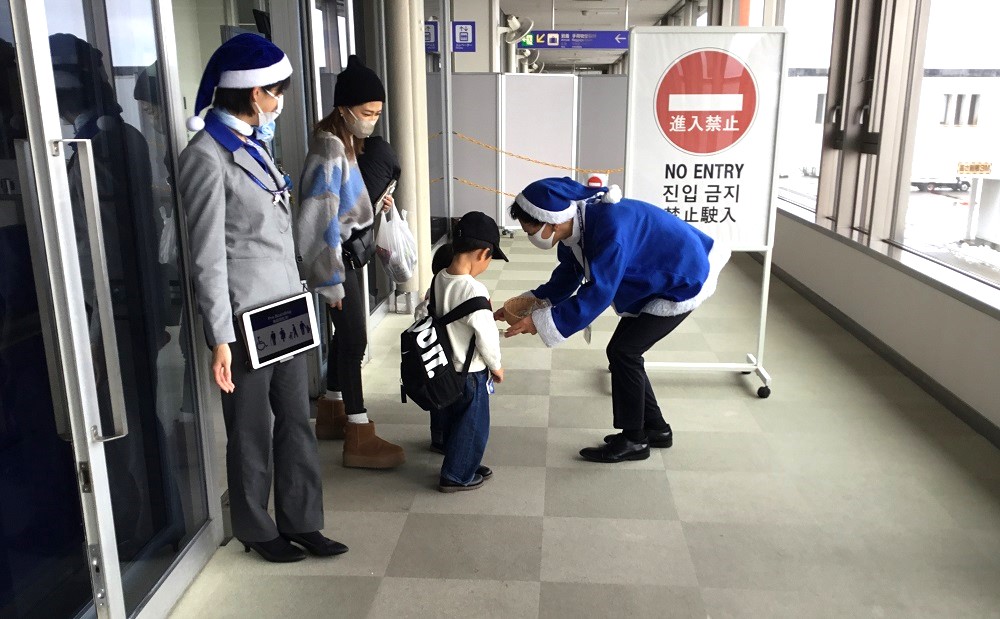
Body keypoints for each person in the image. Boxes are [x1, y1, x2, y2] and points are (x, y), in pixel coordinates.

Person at [178, 33, 345, 562]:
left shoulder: (253, 144)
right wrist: (219, 337)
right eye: (277, 91)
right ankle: (255, 525)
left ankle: (303, 520)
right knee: (251, 429)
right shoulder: (206, 157)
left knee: (297, 419)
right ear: (256, 94)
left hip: (285, 310)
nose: (280, 102)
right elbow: (207, 257)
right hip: (245, 316)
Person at [499, 177, 730, 463]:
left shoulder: (610, 230)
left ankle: (635, 440)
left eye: (530, 228)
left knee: (624, 352)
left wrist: (540, 322)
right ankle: (656, 429)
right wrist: (531, 304)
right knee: (624, 352)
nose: (527, 233)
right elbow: (568, 275)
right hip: (668, 267)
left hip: (684, 277)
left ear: (553, 221)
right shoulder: (577, 226)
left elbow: (599, 291)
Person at [296, 55, 404, 469]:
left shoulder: (344, 143)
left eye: (377, 112)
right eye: (366, 112)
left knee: (346, 338)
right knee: (355, 339)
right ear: (344, 108)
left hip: (344, 258)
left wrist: (372, 205)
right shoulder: (329, 148)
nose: (373, 120)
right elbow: (317, 221)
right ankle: (358, 434)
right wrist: (331, 282)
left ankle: (332, 410)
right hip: (337, 263)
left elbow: (344, 204)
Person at [417, 212, 506, 491]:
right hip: (470, 373)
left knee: (451, 415)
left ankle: (453, 451)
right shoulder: (474, 291)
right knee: (473, 424)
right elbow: (487, 336)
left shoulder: (439, 278)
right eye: (491, 258)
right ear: (483, 253)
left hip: (443, 365)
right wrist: (496, 366)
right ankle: (457, 474)